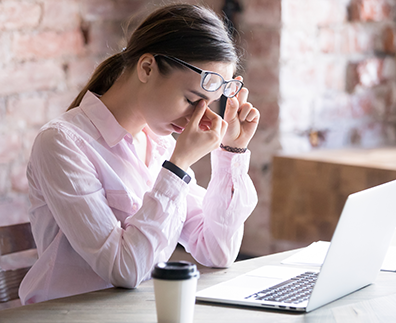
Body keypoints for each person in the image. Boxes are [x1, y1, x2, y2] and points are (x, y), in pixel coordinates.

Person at [19, 3, 259, 304]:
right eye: (191, 99)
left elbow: (217, 252)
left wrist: (232, 152)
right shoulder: (62, 143)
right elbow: (124, 270)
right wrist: (178, 167)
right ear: (147, 67)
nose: (197, 118)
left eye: (208, 104)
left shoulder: (160, 143)